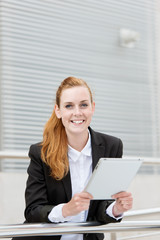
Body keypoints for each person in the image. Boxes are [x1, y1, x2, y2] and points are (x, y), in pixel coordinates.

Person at [17, 77, 133, 240]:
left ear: (92, 108)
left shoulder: (111, 146)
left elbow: (101, 206)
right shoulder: (41, 152)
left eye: (84, 105)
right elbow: (33, 211)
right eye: (69, 106)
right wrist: (66, 210)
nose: (77, 112)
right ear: (58, 111)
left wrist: (116, 208)